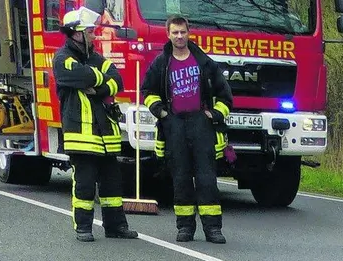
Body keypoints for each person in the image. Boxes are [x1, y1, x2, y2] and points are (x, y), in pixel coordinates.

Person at [141, 15, 233, 244]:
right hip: (175, 126)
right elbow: (147, 91)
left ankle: (213, 229)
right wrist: (162, 113)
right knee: (180, 178)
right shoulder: (161, 63)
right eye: (175, 32)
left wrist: (215, 114)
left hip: (200, 124)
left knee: (206, 178)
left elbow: (225, 95)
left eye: (183, 32)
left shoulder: (203, 62)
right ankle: (185, 228)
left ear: (189, 33)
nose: (179, 36)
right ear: (168, 34)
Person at [52, 8, 136, 242]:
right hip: (81, 134)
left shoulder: (96, 58)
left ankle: (115, 227)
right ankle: (84, 227)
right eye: (89, 31)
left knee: (112, 186)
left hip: (105, 134)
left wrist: (97, 85)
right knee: (85, 185)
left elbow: (117, 81)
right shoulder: (62, 58)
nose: (93, 36)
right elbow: (80, 77)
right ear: (76, 33)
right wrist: (99, 78)